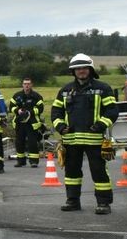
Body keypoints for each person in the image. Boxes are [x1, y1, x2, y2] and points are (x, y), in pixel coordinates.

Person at [50, 54, 119, 214]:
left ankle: (103, 203)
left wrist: (101, 124)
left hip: (94, 140)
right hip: (71, 140)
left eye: (84, 68)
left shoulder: (103, 88)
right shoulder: (66, 90)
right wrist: (60, 127)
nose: (81, 71)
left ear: (90, 69)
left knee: (99, 171)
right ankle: (72, 201)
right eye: (77, 69)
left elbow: (112, 111)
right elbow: (56, 111)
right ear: (73, 71)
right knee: (71, 172)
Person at [9, 78, 45, 168]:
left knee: (32, 142)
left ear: (31, 85)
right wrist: (18, 110)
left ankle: (34, 161)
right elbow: (11, 107)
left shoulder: (36, 96)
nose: (27, 85)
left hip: (32, 123)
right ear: (22, 85)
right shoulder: (17, 95)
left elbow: (40, 108)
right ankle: (21, 161)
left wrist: (30, 112)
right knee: (19, 142)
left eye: (28, 84)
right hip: (19, 122)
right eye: (25, 84)